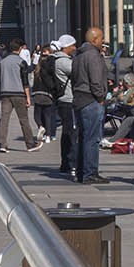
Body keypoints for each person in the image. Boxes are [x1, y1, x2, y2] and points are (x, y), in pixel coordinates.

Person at [71, 27, 109, 184]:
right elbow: (95, 81)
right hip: (91, 100)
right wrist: (100, 97)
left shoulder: (78, 56)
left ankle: (81, 171)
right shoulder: (93, 55)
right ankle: (90, 172)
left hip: (79, 98)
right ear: (94, 40)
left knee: (83, 137)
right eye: (101, 39)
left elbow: (74, 77)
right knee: (92, 138)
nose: (103, 41)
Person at [0, 38, 36, 151]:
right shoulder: (21, 62)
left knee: (4, 119)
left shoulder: (2, 61)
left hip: (5, 93)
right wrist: (28, 97)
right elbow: (25, 82)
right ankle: (30, 144)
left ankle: (2, 144)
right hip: (18, 93)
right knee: (23, 120)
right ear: (19, 48)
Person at [52, 34, 78, 174]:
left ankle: (65, 162)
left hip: (63, 99)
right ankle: (72, 162)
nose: (74, 48)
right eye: (73, 45)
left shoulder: (57, 59)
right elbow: (78, 73)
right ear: (66, 46)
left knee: (67, 132)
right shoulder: (64, 61)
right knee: (72, 132)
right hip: (68, 99)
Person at [31, 43, 63, 147]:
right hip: (48, 93)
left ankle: (41, 126)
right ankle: (49, 135)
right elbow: (53, 80)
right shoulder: (51, 65)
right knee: (48, 115)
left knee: (37, 113)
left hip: (37, 93)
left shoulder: (37, 67)